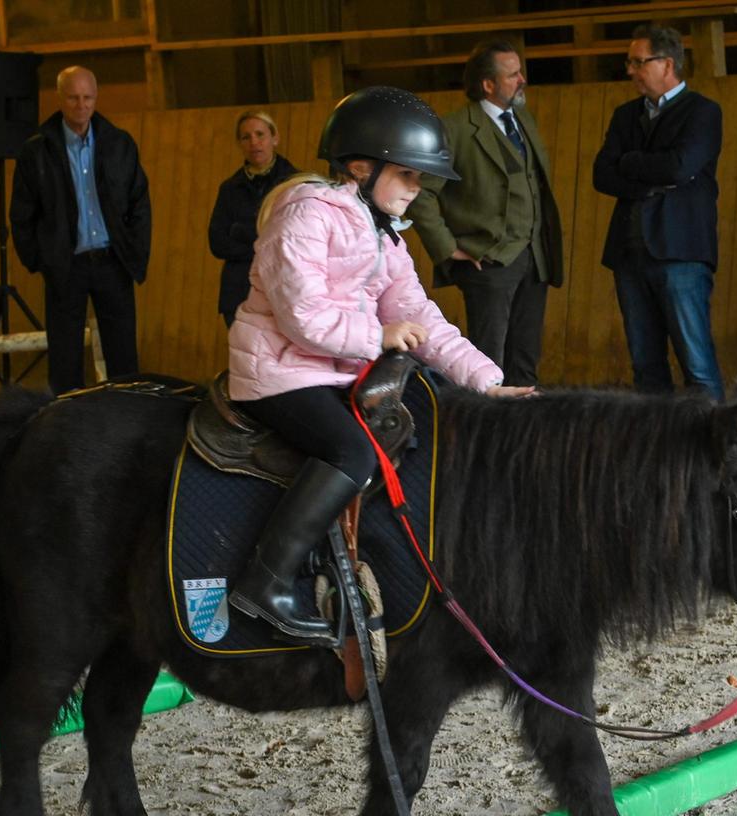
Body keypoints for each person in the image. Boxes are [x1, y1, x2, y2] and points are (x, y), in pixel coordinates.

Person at [226, 87, 531, 644]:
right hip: (281, 370)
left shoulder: (385, 235)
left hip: (338, 369)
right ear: (362, 168)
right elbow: (302, 317)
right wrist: (380, 335)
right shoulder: (305, 215)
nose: (418, 190)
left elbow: (420, 316)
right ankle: (265, 580)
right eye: (409, 177)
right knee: (352, 450)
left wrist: (487, 382)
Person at [408, 41, 563, 387]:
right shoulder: (456, 128)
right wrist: (448, 248)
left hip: (535, 256)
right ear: (488, 84)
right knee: (488, 360)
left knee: (525, 356)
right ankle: (487, 431)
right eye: (512, 75)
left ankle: (525, 430)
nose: (522, 80)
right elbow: (422, 194)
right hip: (488, 261)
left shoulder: (523, 119)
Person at [593, 24, 725, 401]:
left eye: (638, 62)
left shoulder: (703, 112)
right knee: (645, 365)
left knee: (696, 363)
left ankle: (718, 450)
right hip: (629, 254)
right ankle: (660, 452)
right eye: (630, 62)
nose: (630, 70)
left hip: (680, 251)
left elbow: (679, 168)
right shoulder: (624, 115)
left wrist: (630, 162)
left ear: (667, 64)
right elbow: (602, 174)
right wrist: (649, 180)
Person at [10, 65, 151, 395]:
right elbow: (22, 212)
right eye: (73, 97)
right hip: (64, 265)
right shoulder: (36, 150)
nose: (81, 105)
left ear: (96, 97)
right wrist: (40, 260)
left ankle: (125, 416)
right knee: (64, 355)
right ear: (60, 98)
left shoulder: (119, 143)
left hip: (112, 262)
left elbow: (139, 202)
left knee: (123, 353)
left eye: (88, 97)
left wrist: (133, 251)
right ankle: (67, 422)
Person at [207, 111, 299, 327]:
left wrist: (240, 232)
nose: (254, 142)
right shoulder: (230, 188)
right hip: (239, 289)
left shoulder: (296, 183)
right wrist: (263, 243)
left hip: (283, 288)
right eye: (246, 137)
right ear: (239, 143)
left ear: (274, 138)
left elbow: (294, 240)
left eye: (260, 134)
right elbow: (218, 243)